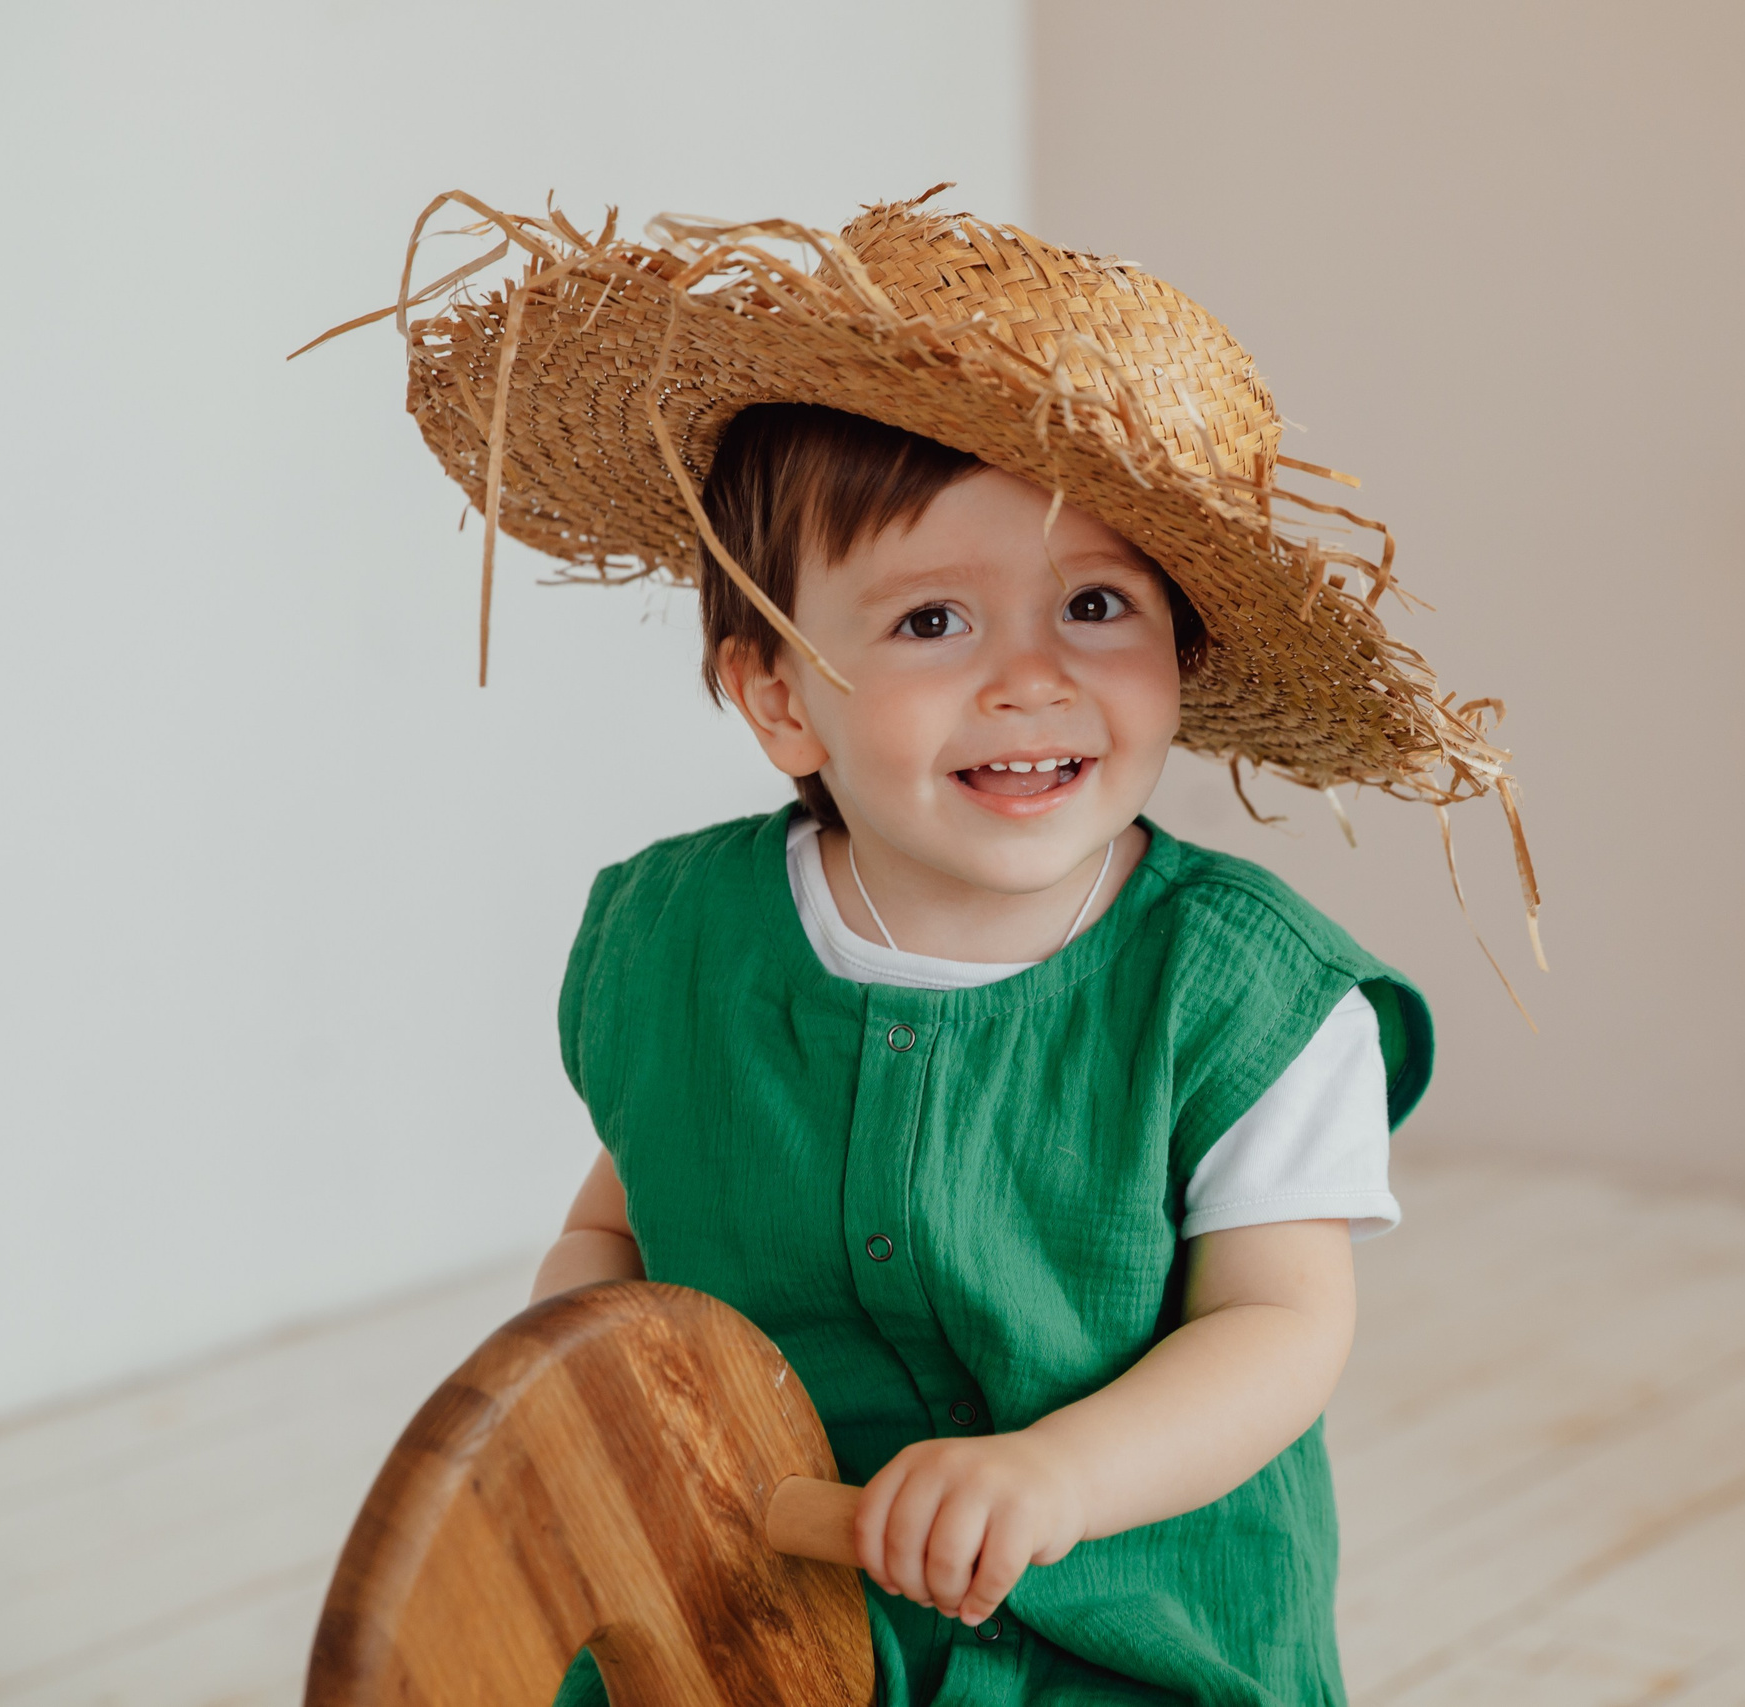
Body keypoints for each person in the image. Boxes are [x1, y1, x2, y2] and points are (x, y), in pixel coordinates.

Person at [369, 185, 1527, 1705]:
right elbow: (623, 1227)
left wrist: (1054, 1477)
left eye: (1098, 605)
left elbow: (1279, 1327)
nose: (1032, 680)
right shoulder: (683, 942)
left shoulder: (1245, 995)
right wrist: (580, 1382)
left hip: (1113, 1631)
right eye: (932, 624)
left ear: (1180, 653)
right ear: (782, 696)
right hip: (742, 1610)